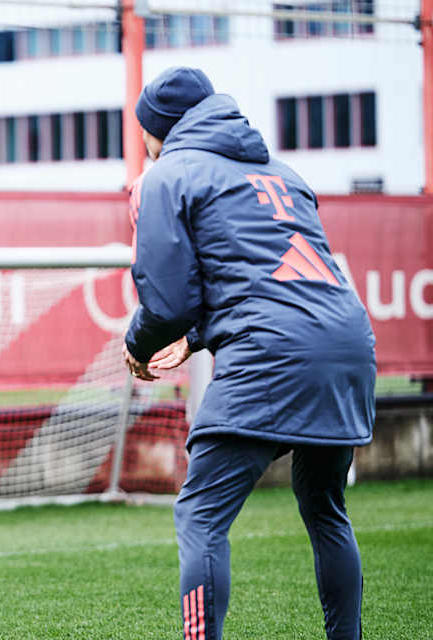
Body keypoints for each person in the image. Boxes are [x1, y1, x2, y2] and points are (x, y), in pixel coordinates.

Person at [121, 67, 375, 640]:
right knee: (325, 507)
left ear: (159, 130)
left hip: (271, 354)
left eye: (145, 133)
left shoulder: (167, 176)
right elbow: (272, 279)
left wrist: (140, 344)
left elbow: (167, 301)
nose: (145, 143)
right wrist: (195, 339)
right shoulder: (284, 173)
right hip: (348, 343)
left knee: (201, 514)